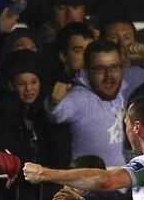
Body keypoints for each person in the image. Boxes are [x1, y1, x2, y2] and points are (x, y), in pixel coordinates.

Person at [46, 39, 131, 167]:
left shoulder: (123, 88)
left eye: (114, 67)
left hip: (120, 183)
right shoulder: (81, 98)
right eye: (100, 69)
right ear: (86, 71)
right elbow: (57, 113)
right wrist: (54, 102)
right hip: (90, 184)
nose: (109, 76)